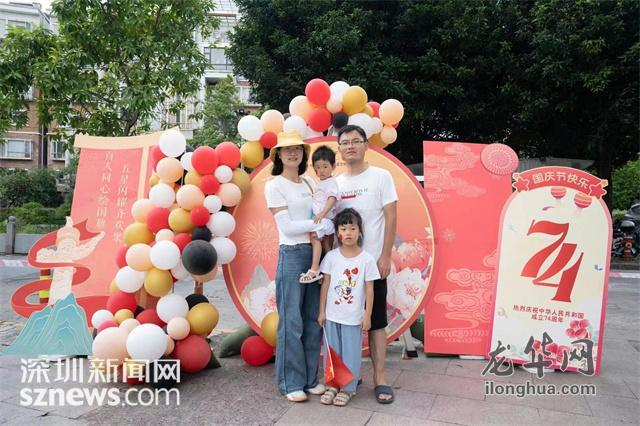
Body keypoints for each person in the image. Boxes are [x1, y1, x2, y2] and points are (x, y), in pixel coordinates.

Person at [264, 130, 334, 402]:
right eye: (287, 149)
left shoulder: (309, 182)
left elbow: (324, 213)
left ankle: (310, 379)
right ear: (279, 155)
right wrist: (319, 224)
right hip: (292, 255)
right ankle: (290, 382)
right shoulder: (274, 185)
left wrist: (322, 225)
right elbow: (288, 227)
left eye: (297, 149)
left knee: (313, 319)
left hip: (315, 254)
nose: (293, 153)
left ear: (304, 154)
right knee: (291, 321)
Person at [335, 124, 398, 404]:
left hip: (372, 266)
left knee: (376, 323)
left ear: (365, 145)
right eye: (345, 142)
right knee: (344, 323)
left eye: (355, 141)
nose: (350, 146)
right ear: (339, 149)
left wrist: (385, 255)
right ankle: (348, 374)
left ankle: (380, 378)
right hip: (343, 270)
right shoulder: (336, 184)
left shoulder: (381, 177)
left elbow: (391, 217)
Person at [317, 208, 378, 407]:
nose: (348, 232)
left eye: (353, 228)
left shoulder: (367, 259)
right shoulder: (331, 257)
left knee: (351, 354)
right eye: (343, 229)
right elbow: (325, 285)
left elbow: (370, 289)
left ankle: (348, 388)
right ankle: (333, 385)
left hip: (353, 317)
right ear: (338, 233)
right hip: (332, 316)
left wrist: (367, 315)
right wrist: (322, 311)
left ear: (360, 232)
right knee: (332, 352)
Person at [299, 145, 340, 284]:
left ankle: (315, 268)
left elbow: (332, 199)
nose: (321, 170)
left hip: (324, 219)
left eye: (325, 166)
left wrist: (322, 214)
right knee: (326, 246)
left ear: (333, 166)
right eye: (317, 167)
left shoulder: (331, 182)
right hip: (322, 219)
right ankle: (330, 269)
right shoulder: (321, 182)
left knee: (315, 238)